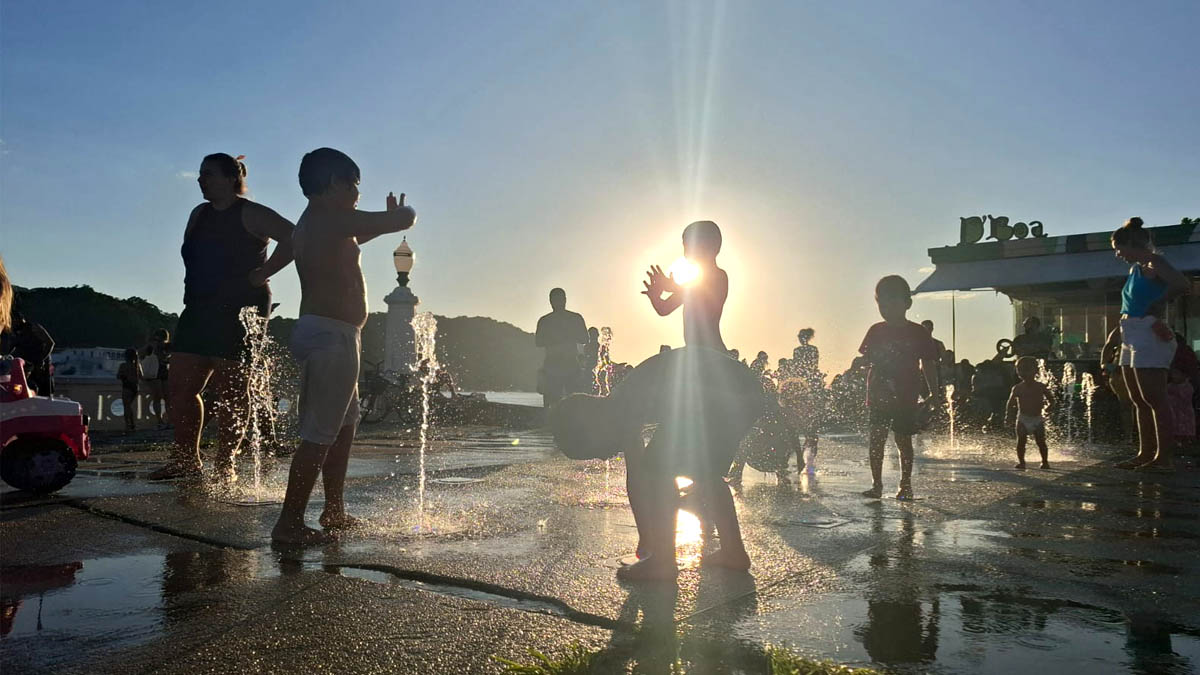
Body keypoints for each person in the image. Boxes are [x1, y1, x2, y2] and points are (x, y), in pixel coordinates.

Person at [272, 147, 417, 546]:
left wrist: (381, 222)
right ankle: (288, 523)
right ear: (333, 183)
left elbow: (361, 231)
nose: (356, 193)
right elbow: (407, 218)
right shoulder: (326, 217)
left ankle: (333, 509)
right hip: (330, 335)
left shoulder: (317, 222)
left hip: (335, 334)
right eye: (354, 184)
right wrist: (396, 217)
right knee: (319, 433)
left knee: (343, 426)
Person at [551, 348, 764, 583]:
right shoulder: (622, 404)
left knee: (661, 468)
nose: (603, 458)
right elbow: (636, 477)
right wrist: (646, 538)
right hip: (744, 390)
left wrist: (652, 544)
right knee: (706, 475)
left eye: (594, 450)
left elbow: (644, 476)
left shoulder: (627, 401)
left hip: (721, 391)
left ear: (593, 424)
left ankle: (663, 563)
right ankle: (734, 552)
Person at [148, 154, 296, 481]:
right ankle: (187, 458)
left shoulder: (252, 212)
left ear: (231, 178)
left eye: (208, 174)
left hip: (242, 308)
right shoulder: (198, 214)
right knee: (181, 387)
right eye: (200, 174)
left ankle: (225, 463)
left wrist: (264, 273)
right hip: (198, 307)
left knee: (231, 390)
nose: (201, 180)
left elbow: (296, 238)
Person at [1110, 217, 1190, 470]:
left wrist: (1159, 303)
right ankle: (1145, 453)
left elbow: (1182, 284)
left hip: (1148, 332)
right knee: (1137, 399)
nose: (1117, 254)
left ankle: (1163, 458)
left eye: (1118, 248)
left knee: (1154, 397)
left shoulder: (1154, 262)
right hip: (1131, 332)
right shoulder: (1135, 269)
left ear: (1132, 244)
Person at [858, 276, 939, 500]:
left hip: (906, 395)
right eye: (882, 304)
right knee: (876, 439)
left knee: (903, 440)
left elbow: (928, 363)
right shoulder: (875, 330)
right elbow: (866, 360)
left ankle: (905, 485)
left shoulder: (918, 332)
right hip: (879, 394)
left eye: (892, 302)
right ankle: (877, 484)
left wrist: (935, 392)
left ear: (907, 303)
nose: (887, 308)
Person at [535, 288, 588, 408]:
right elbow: (538, 342)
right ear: (551, 301)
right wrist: (562, 337)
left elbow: (585, 339)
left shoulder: (573, 318)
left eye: (559, 299)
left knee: (574, 402)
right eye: (555, 300)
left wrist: (564, 335)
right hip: (554, 365)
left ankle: (568, 423)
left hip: (569, 364)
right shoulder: (546, 320)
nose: (557, 302)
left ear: (564, 300)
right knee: (554, 403)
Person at [1005, 357, 1052, 469]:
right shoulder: (1017, 388)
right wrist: (1008, 416)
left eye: (1027, 369)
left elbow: (1051, 399)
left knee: (1041, 441)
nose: (1024, 373)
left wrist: (1050, 407)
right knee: (1021, 441)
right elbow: (1010, 403)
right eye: (1021, 370)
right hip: (1023, 419)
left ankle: (1045, 461)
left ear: (1036, 370)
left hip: (1037, 418)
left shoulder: (1040, 386)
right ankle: (1022, 462)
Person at [7, 311, 55, 395]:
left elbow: (50, 343)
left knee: (44, 393)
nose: (12, 324)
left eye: (13, 321)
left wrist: (41, 360)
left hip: (40, 368)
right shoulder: (16, 333)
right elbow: (9, 350)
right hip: (28, 369)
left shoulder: (34, 328)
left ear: (20, 319)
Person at [1167, 367, 1195, 447]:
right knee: (1175, 427)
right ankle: (1176, 442)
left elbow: (1186, 397)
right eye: (1173, 374)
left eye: (1177, 374)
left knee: (1185, 427)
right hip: (1174, 411)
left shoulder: (1187, 386)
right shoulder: (1170, 386)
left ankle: (1186, 442)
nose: (1174, 376)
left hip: (1184, 411)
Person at [139, 344, 165, 428]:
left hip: (152, 381)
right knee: (158, 400)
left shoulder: (150, 359)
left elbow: (149, 373)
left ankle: (160, 419)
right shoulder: (152, 358)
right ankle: (160, 419)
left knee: (157, 400)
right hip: (153, 381)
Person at [117, 348, 142, 433]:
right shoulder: (137, 366)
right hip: (135, 388)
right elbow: (142, 377)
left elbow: (118, 376)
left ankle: (128, 425)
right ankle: (132, 424)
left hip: (127, 387)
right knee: (129, 407)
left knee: (126, 407)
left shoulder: (123, 365)